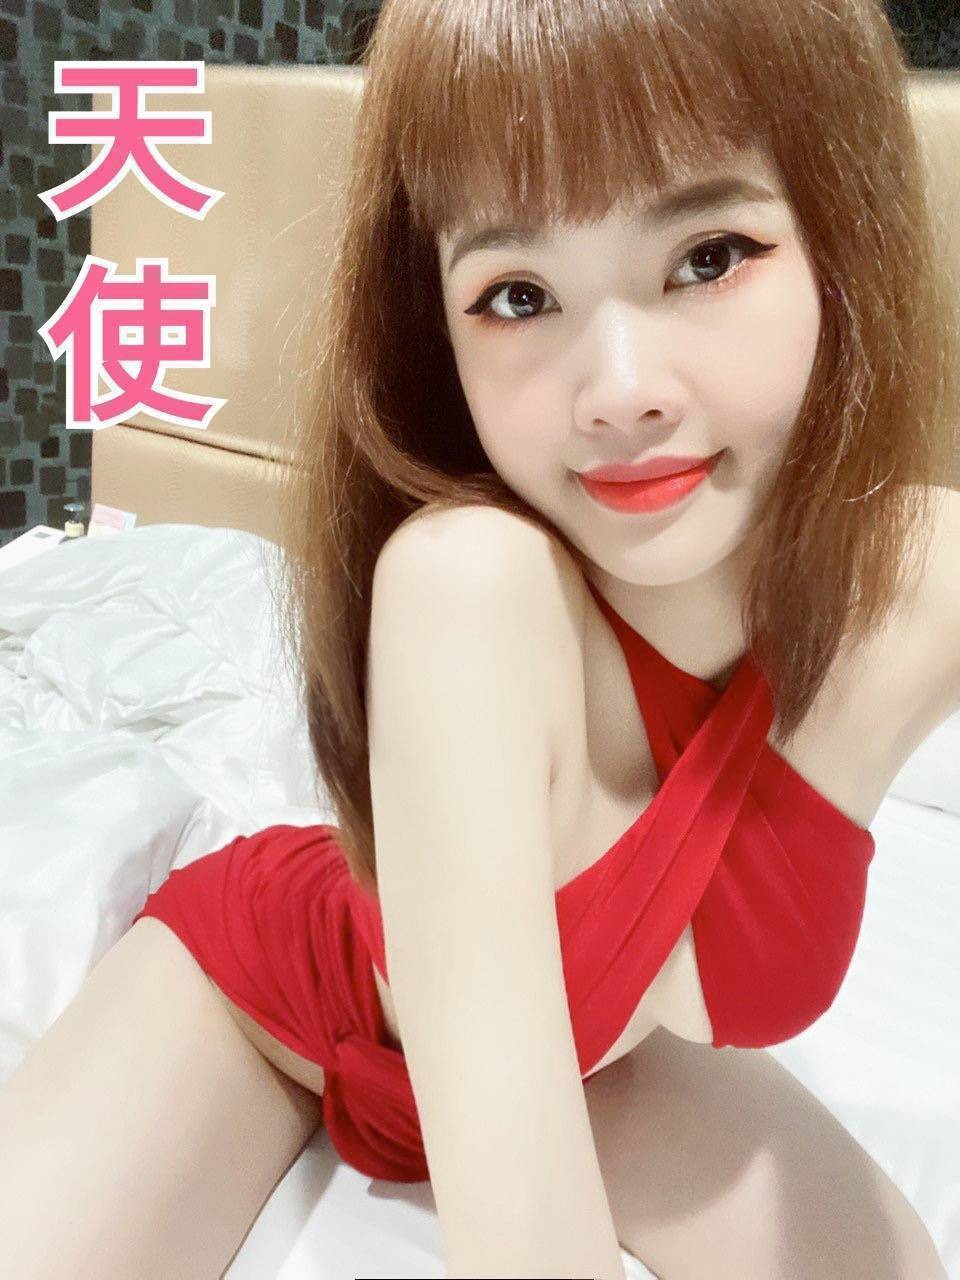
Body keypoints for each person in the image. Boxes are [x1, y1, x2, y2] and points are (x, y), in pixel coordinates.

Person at [2, 0, 958, 1276]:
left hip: (599, 1057)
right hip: (281, 987)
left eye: (709, 256)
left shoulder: (917, 578)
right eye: (517, 294)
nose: (621, 391)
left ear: (842, 229)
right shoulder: (470, 587)